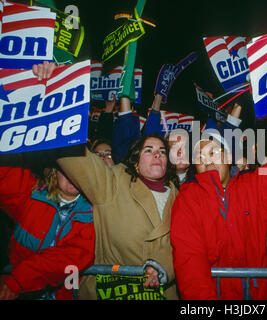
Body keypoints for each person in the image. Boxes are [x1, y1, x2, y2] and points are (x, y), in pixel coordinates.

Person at [33, 63, 180, 300]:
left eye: (162, 151)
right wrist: (50, 89)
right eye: (149, 150)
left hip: (162, 293)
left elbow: (186, 246)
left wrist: (162, 267)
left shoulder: (180, 195)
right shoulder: (112, 182)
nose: (157, 154)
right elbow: (74, 157)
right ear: (134, 161)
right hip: (114, 292)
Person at [170, 84, 267, 299]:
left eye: (213, 151)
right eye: (199, 157)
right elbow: (189, 261)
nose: (207, 159)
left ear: (229, 157)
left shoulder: (254, 185)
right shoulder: (188, 198)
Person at [0, 165, 94, 300]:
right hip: (16, 292)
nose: (73, 175)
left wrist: (21, 278)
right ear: (54, 173)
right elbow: (6, 176)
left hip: (62, 294)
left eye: (78, 169)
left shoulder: (93, 213)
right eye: (66, 169)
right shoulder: (31, 195)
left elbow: (73, 255)